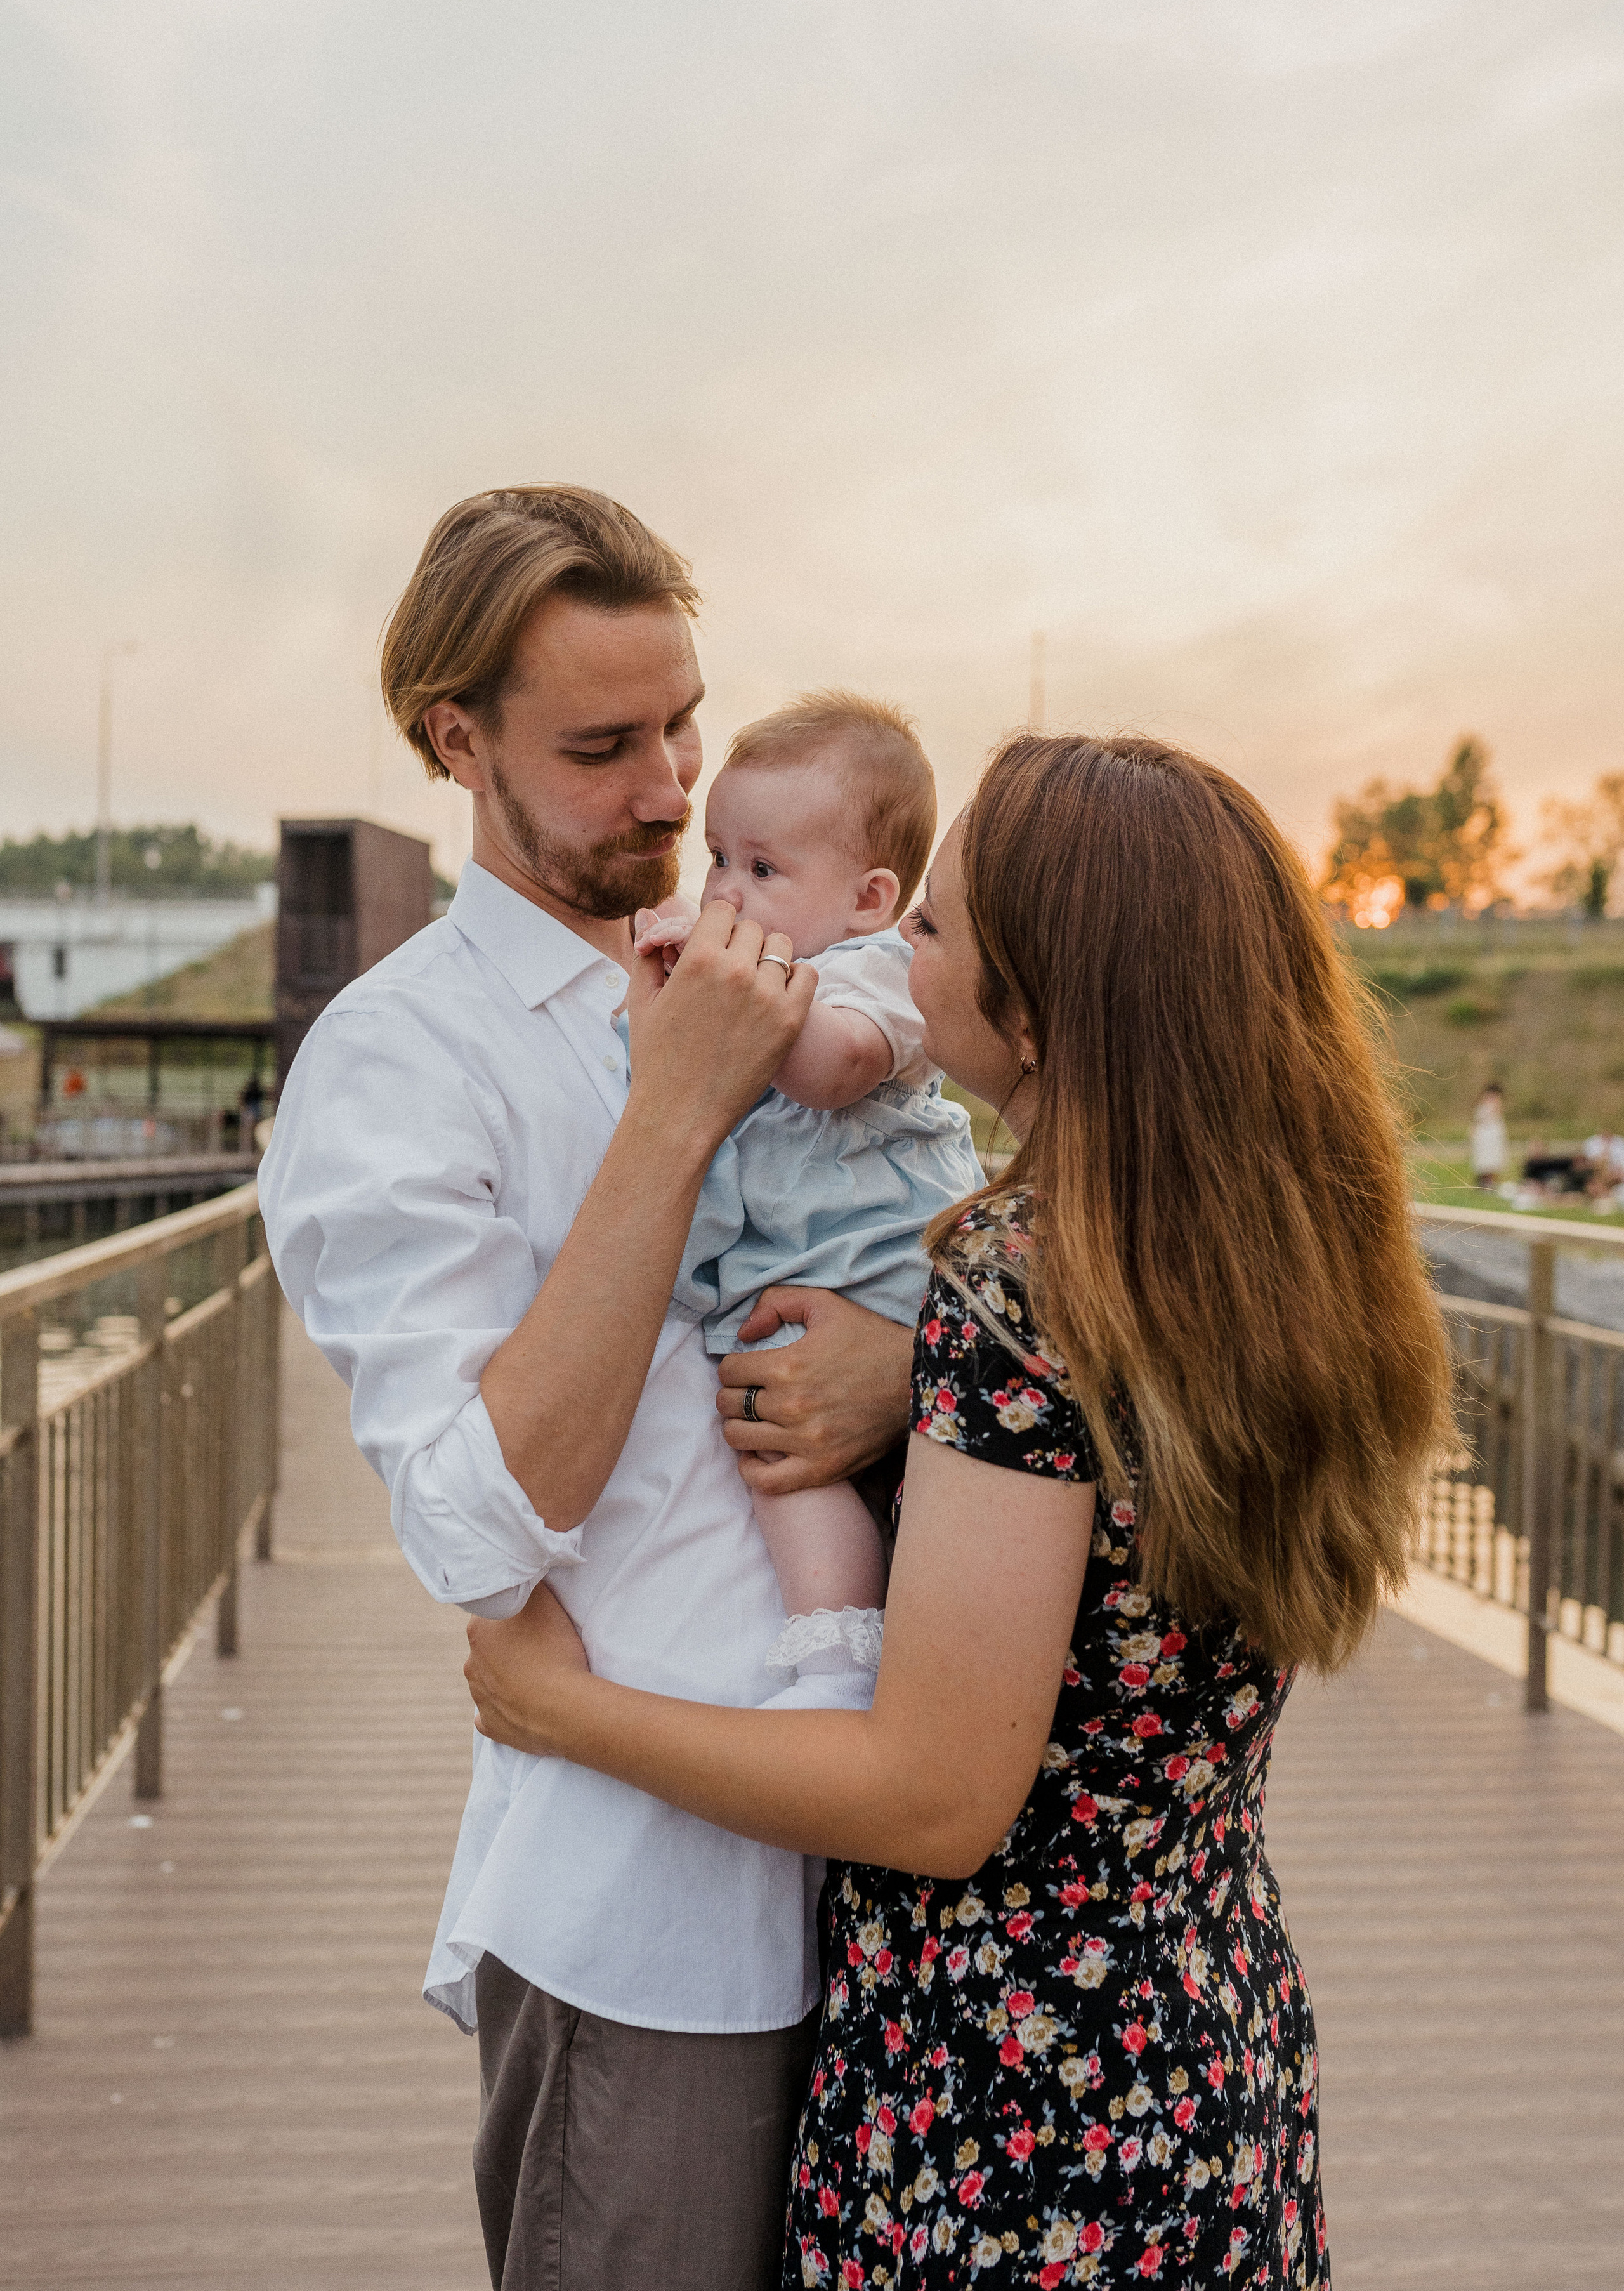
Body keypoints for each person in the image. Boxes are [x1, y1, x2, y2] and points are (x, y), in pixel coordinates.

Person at [465, 730, 1457, 2288]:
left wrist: (565, 1710)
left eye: (926, 925)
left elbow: (931, 1793)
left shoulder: (1013, 1288)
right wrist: (905, 1368)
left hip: (1010, 2100)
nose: (890, 949)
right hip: (1202, 2047)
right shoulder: (1257, 1259)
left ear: (1040, 1006)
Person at [258, 484, 919, 2291]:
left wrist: (906, 1365)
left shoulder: (798, 967)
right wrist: (677, 1102)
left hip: (912, 1889)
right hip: (660, 1925)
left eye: (686, 724)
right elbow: (475, 1530)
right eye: (607, 744)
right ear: (453, 742)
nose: (671, 788)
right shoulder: (398, 1064)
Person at [633, 691, 983, 1698]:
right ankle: (835, 1639)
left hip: (891, 1279)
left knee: (819, 1471)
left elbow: (832, 1071)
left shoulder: (880, 977)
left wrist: (734, 999)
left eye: (763, 870)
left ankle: (838, 1651)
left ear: (871, 898)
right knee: (789, 1464)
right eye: (717, 862)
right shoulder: (761, 965)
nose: (725, 896)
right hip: (783, 1295)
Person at [1469, 1080, 1507, 1188]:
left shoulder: (1497, 1105)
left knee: (1492, 1160)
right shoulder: (1481, 1106)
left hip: (1492, 1136)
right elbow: (1477, 1121)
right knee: (1483, 1160)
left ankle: (1491, 1182)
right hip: (1483, 1137)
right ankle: (1483, 1182)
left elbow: (1495, 1115)